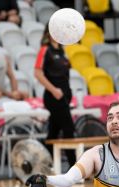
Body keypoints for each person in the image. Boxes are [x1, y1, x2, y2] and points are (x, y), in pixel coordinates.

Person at [34, 25, 76, 167]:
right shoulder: (45, 50)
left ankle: (43, 163)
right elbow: (38, 73)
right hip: (54, 97)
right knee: (69, 129)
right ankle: (74, 167)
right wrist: (53, 90)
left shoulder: (62, 51)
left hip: (64, 96)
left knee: (53, 132)